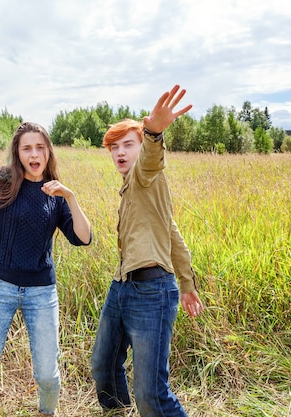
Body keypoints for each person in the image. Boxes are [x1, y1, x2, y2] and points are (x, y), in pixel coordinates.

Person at [0, 121, 92, 417]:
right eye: (27, 148)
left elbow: (83, 238)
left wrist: (70, 197)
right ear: (18, 153)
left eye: (39, 147)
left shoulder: (55, 194)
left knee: (47, 375)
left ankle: (47, 413)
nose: (34, 154)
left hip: (41, 294)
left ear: (48, 151)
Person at [90, 85, 204, 417]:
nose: (120, 153)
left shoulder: (146, 173)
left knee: (151, 396)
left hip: (151, 293)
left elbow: (152, 157)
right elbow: (173, 234)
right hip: (122, 287)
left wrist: (153, 132)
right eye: (114, 147)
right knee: (104, 366)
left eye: (128, 144)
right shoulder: (131, 187)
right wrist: (188, 283)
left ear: (141, 148)